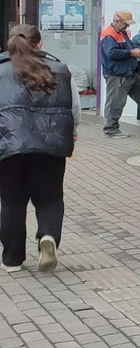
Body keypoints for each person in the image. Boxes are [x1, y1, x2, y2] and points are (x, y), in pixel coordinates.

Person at [0, 25, 79, 273]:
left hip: (10, 146)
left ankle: (12, 258)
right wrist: (72, 133)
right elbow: (73, 108)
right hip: (51, 146)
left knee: (12, 202)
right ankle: (48, 237)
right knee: (50, 199)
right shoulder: (60, 70)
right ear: (40, 44)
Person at [100, 10, 140, 137]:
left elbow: (127, 48)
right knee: (115, 103)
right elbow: (111, 53)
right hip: (118, 75)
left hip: (129, 73)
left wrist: (135, 52)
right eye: (126, 24)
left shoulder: (121, 32)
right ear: (117, 21)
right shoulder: (109, 34)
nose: (127, 26)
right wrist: (132, 53)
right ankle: (111, 129)